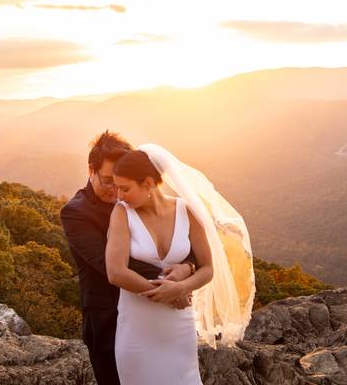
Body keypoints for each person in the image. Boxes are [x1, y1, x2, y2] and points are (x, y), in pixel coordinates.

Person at [106, 145, 256, 384]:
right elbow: (115, 272)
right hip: (137, 329)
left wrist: (180, 289)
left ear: (147, 183)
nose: (119, 195)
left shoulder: (186, 211)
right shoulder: (121, 213)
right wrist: (164, 293)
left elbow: (207, 268)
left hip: (178, 327)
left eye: (125, 188)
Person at [60, 132, 195, 385]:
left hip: (158, 315)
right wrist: (172, 288)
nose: (115, 191)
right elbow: (109, 264)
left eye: (122, 182)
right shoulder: (76, 213)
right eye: (108, 181)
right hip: (108, 319)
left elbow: (181, 240)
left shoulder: (138, 200)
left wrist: (187, 268)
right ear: (91, 170)